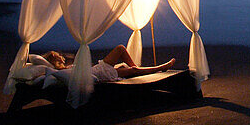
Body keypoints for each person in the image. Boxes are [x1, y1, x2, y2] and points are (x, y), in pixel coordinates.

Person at [42, 45, 176, 80]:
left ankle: (160, 67)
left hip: (99, 72)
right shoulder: (58, 72)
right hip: (100, 72)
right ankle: (162, 67)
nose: (61, 57)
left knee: (130, 69)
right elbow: (45, 74)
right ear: (53, 60)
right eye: (58, 56)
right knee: (120, 49)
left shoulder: (64, 68)